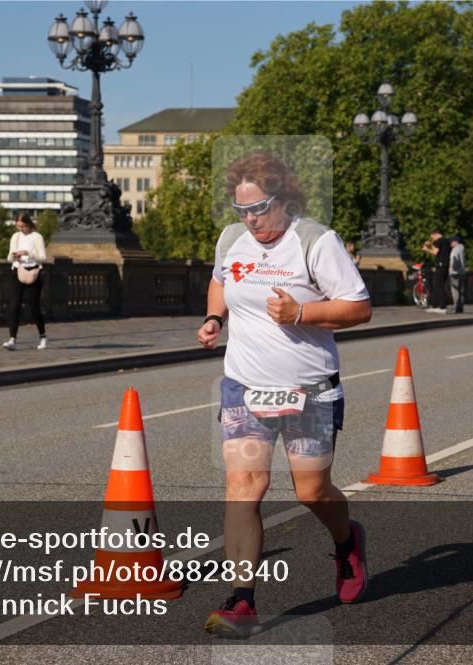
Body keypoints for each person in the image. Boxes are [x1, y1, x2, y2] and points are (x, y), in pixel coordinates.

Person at [197, 151, 371, 636]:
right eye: (242, 211)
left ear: (285, 198)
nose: (251, 220)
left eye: (260, 208)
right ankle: (242, 601)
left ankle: (346, 541)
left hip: (309, 389)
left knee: (311, 491)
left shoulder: (315, 241)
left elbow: (358, 309)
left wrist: (301, 313)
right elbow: (220, 280)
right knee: (243, 488)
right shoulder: (234, 238)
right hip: (245, 385)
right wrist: (215, 319)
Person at [1, 212, 47, 350]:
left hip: (33, 272)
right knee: (14, 306)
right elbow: (9, 258)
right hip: (17, 271)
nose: (21, 229)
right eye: (18, 226)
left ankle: (43, 336)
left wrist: (28, 253)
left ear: (29, 224)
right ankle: (12, 339)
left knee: (34, 308)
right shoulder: (15, 237)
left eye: (23, 226)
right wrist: (14, 255)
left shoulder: (37, 237)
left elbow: (43, 258)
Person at [421, 230, 451, 313]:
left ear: (435, 234)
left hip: (440, 265)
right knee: (439, 285)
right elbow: (439, 250)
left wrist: (427, 249)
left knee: (438, 286)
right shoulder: (446, 241)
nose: (433, 239)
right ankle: (436, 305)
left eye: (432, 237)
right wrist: (430, 246)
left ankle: (442, 307)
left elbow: (435, 252)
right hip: (446, 265)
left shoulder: (439, 241)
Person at [448, 235, 466, 313]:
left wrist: (452, 267)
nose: (450, 243)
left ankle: (456, 307)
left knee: (455, 291)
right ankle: (461, 307)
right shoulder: (462, 249)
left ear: (455, 242)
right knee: (461, 290)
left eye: (451, 241)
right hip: (462, 272)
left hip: (455, 273)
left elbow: (454, 259)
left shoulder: (455, 250)